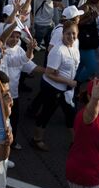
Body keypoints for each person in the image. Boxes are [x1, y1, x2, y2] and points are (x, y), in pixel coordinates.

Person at [31, 20, 79, 151]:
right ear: (62, 34)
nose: (71, 37)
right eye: (68, 34)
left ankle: (76, 143)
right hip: (53, 88)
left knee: (71, 115)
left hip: (67, 89)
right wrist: (69, 82)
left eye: (74, 34)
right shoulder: (58, 51)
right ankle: (36, 139)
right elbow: (48, 73)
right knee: (47, 113)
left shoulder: (73, 48)